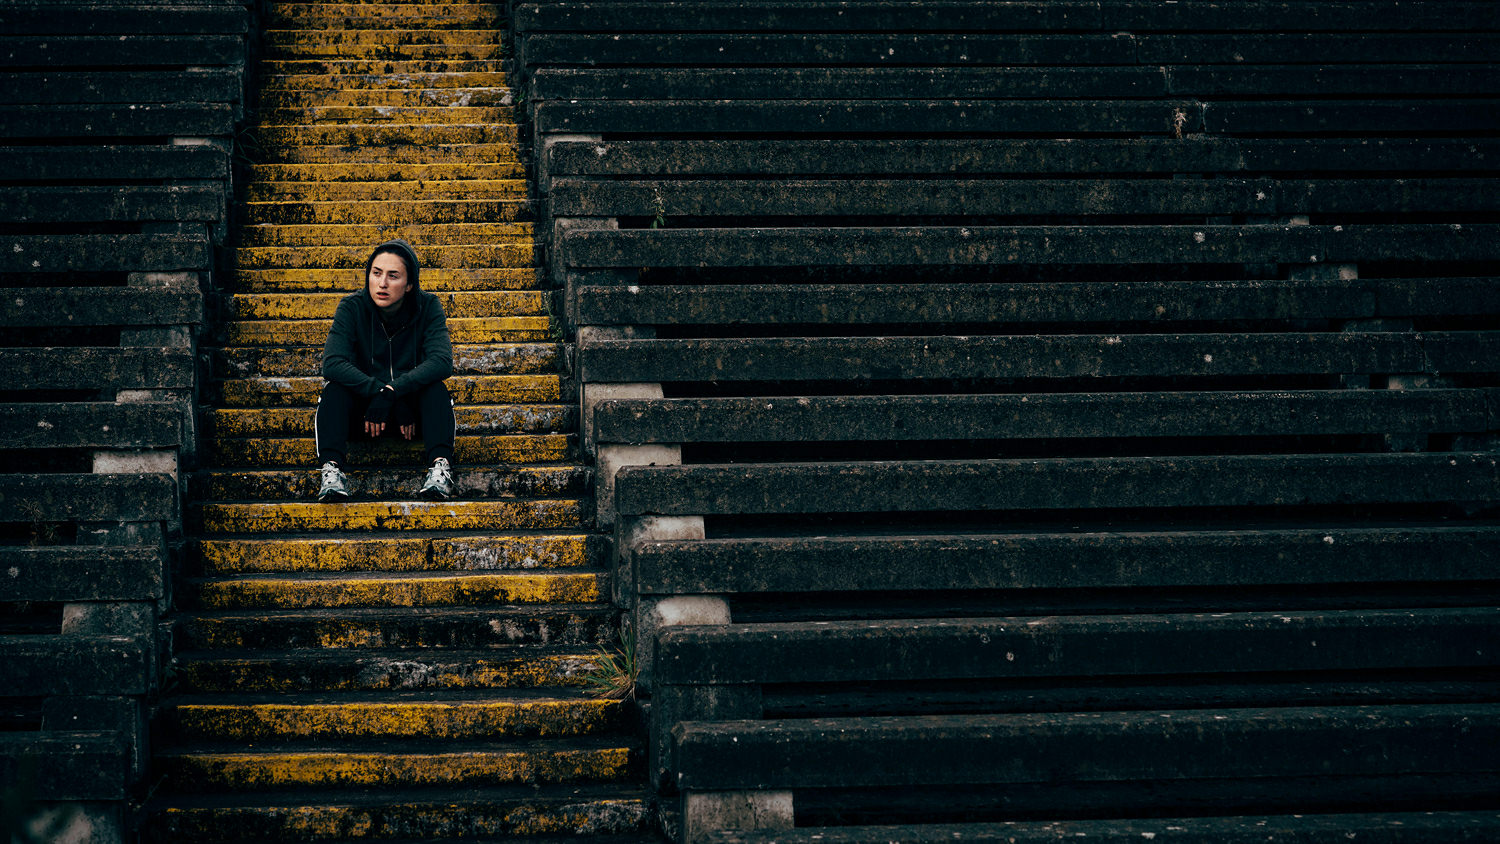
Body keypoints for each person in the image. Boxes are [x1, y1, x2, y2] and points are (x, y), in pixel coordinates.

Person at [314, 239, 456, 501]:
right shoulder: (352, 307)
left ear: (410, 284)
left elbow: (441, 361)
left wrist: (395, 392)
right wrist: (379, 392)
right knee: (334, 392)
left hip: (412, 419)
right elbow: (332, 363)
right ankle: (331, 470)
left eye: (393, 276)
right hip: (366, 416)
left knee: (437, 390)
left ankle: (440, 470)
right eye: (376, 273)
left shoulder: (428, 307)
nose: (382, 284)